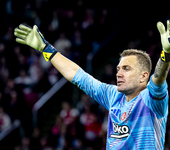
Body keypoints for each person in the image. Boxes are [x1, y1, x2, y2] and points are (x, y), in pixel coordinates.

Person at [14, 20, 170, 149]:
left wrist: (166, 55)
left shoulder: (151, 100)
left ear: (144, 77)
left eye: (126, 69)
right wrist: (45, 48)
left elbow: (158, 78)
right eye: (118, 69)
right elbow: (78, 76)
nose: (118, 73)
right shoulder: (113, 94)